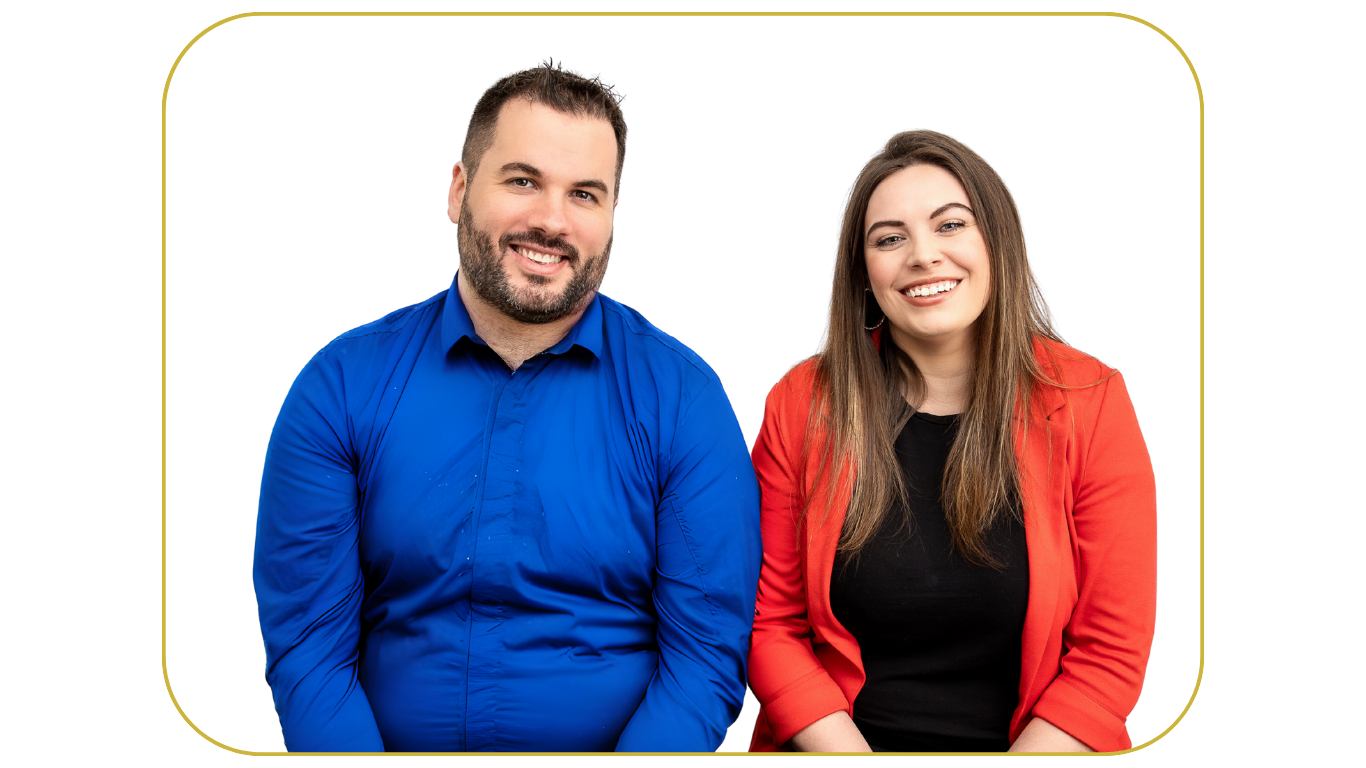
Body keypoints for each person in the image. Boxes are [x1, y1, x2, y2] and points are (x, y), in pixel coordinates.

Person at [252, 63, 761, 753]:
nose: (551, 221)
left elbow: (704, 661)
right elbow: (309, 652)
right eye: (523, 181)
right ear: (460, 190)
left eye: (584, 193)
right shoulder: (340, 386)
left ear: (612, 214)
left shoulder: (684, 400)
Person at [746, 131, 1156, 753]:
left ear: (997, 243)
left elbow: (1109, 655)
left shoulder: (1089, 400)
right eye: (890, 238)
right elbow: (769, 624)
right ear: (863, 272)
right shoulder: (802, 404)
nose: (922, 255)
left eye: (950, 226)